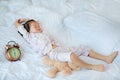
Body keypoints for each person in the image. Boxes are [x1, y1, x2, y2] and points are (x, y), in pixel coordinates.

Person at [15, 18, 118, 72]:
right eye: (34, 26)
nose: (38, 27)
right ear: (28, 30)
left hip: (61, 48)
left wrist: (31, 21)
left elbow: (35, 22)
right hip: (53, 54)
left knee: (83, 48)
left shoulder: (43, 34)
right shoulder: (30, 37)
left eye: (38, 25)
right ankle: (91, 67)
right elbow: (20, 28)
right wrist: (21, 22)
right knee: (71, 56)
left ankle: (106, 58)